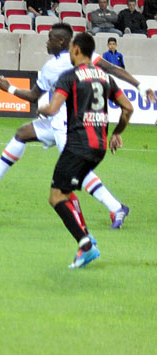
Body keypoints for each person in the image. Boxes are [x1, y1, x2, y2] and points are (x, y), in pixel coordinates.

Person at [0, 24, 151, 227]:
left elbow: (34, 98)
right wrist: (139, 85)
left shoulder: (61, 65)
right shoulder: (62, 63)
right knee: (23, 133)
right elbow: (112, 70)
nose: (47, 42)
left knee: (77, 171)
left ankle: (116, 207)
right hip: (56, 121)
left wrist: (10, 89)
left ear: (61, 41)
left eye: (50, 38)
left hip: (67, 125)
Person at [37, 32, 133, 268]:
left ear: (77, 50)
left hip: (78, 144)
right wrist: (117, 133)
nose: (69, 54)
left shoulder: (69, 77)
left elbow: (53, 108)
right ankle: (87, 238)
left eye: (71, 50)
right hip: (99, 146)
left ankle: (85, 245)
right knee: (68, 192)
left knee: (56, 196)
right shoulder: (104, 77)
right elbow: (128, 108)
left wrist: (43, 109)